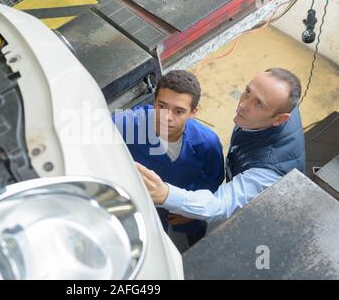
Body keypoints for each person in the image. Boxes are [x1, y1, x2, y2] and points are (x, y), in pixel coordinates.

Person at [137, 68, 306, 226]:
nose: (243, 105)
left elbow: (220, 206)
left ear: (280, 119)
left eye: (259, 104)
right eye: (247, 91)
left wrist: (165, 194)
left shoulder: (266, 174)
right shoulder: (273, 109)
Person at [113, 70, 224, 246]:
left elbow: (213, 179)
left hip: (181, 213)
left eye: (179, 111)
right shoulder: (126, 124)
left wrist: (188, 209)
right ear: (154, 101)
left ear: (193, 112)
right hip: (140, 206)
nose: (166, 118)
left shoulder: (207, 143)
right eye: (162, 106)